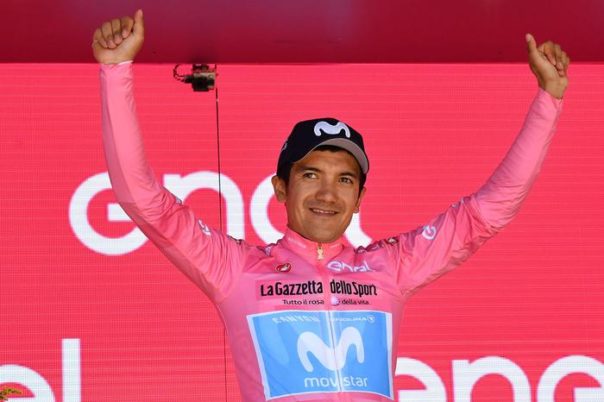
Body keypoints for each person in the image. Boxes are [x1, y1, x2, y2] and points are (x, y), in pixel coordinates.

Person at [93, 9, 570, 402]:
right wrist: (116, 72)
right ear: (280, 188)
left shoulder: (390, 268)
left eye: (344, 180)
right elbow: (145, 202)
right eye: (310, 175)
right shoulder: (236, 270)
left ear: (359, 198)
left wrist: (549, 99)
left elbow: (488, 212)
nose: (327, 194)